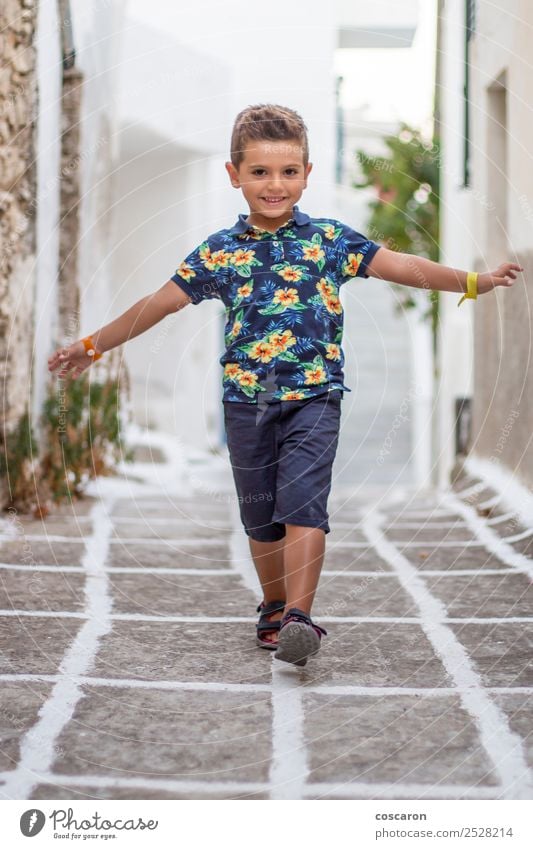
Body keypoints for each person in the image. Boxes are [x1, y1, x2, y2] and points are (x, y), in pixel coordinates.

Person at [48, 103, 522, 666]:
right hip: (246, 402)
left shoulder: (327, 240)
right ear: (234, 175)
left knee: (304, 502)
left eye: (289, 172)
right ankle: (274, 606)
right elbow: (158, 305)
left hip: (316, 396)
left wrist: (472, 281)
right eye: (260, 173)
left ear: (307, 173)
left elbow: (402, 266)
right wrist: (93, 344)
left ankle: (300, 615)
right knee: (261, 516)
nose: (275, 185)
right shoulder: (219, 253)